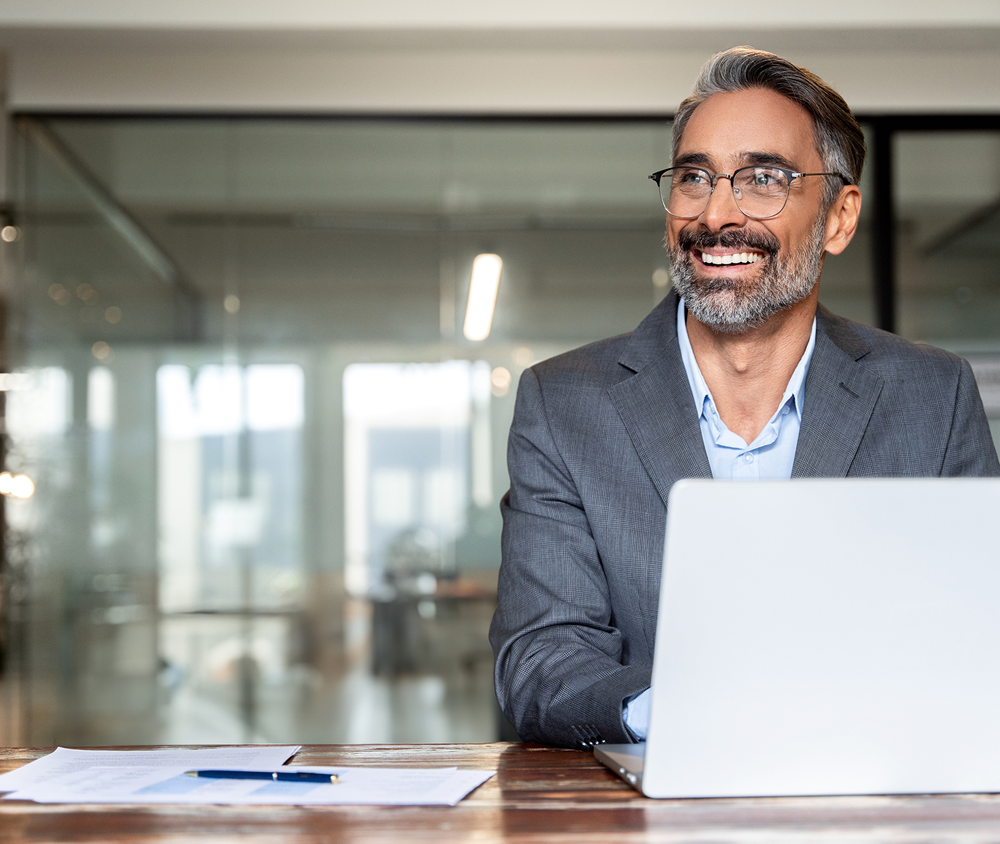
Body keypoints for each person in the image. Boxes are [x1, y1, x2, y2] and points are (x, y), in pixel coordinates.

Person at [489, 46, 1000, 749]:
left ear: (839, 218)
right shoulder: (563, 403)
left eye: (763, 178)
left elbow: (978, 631)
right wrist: (684, 718)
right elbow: (539, 660)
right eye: (694, 176)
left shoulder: (930, 396)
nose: (716, 213)